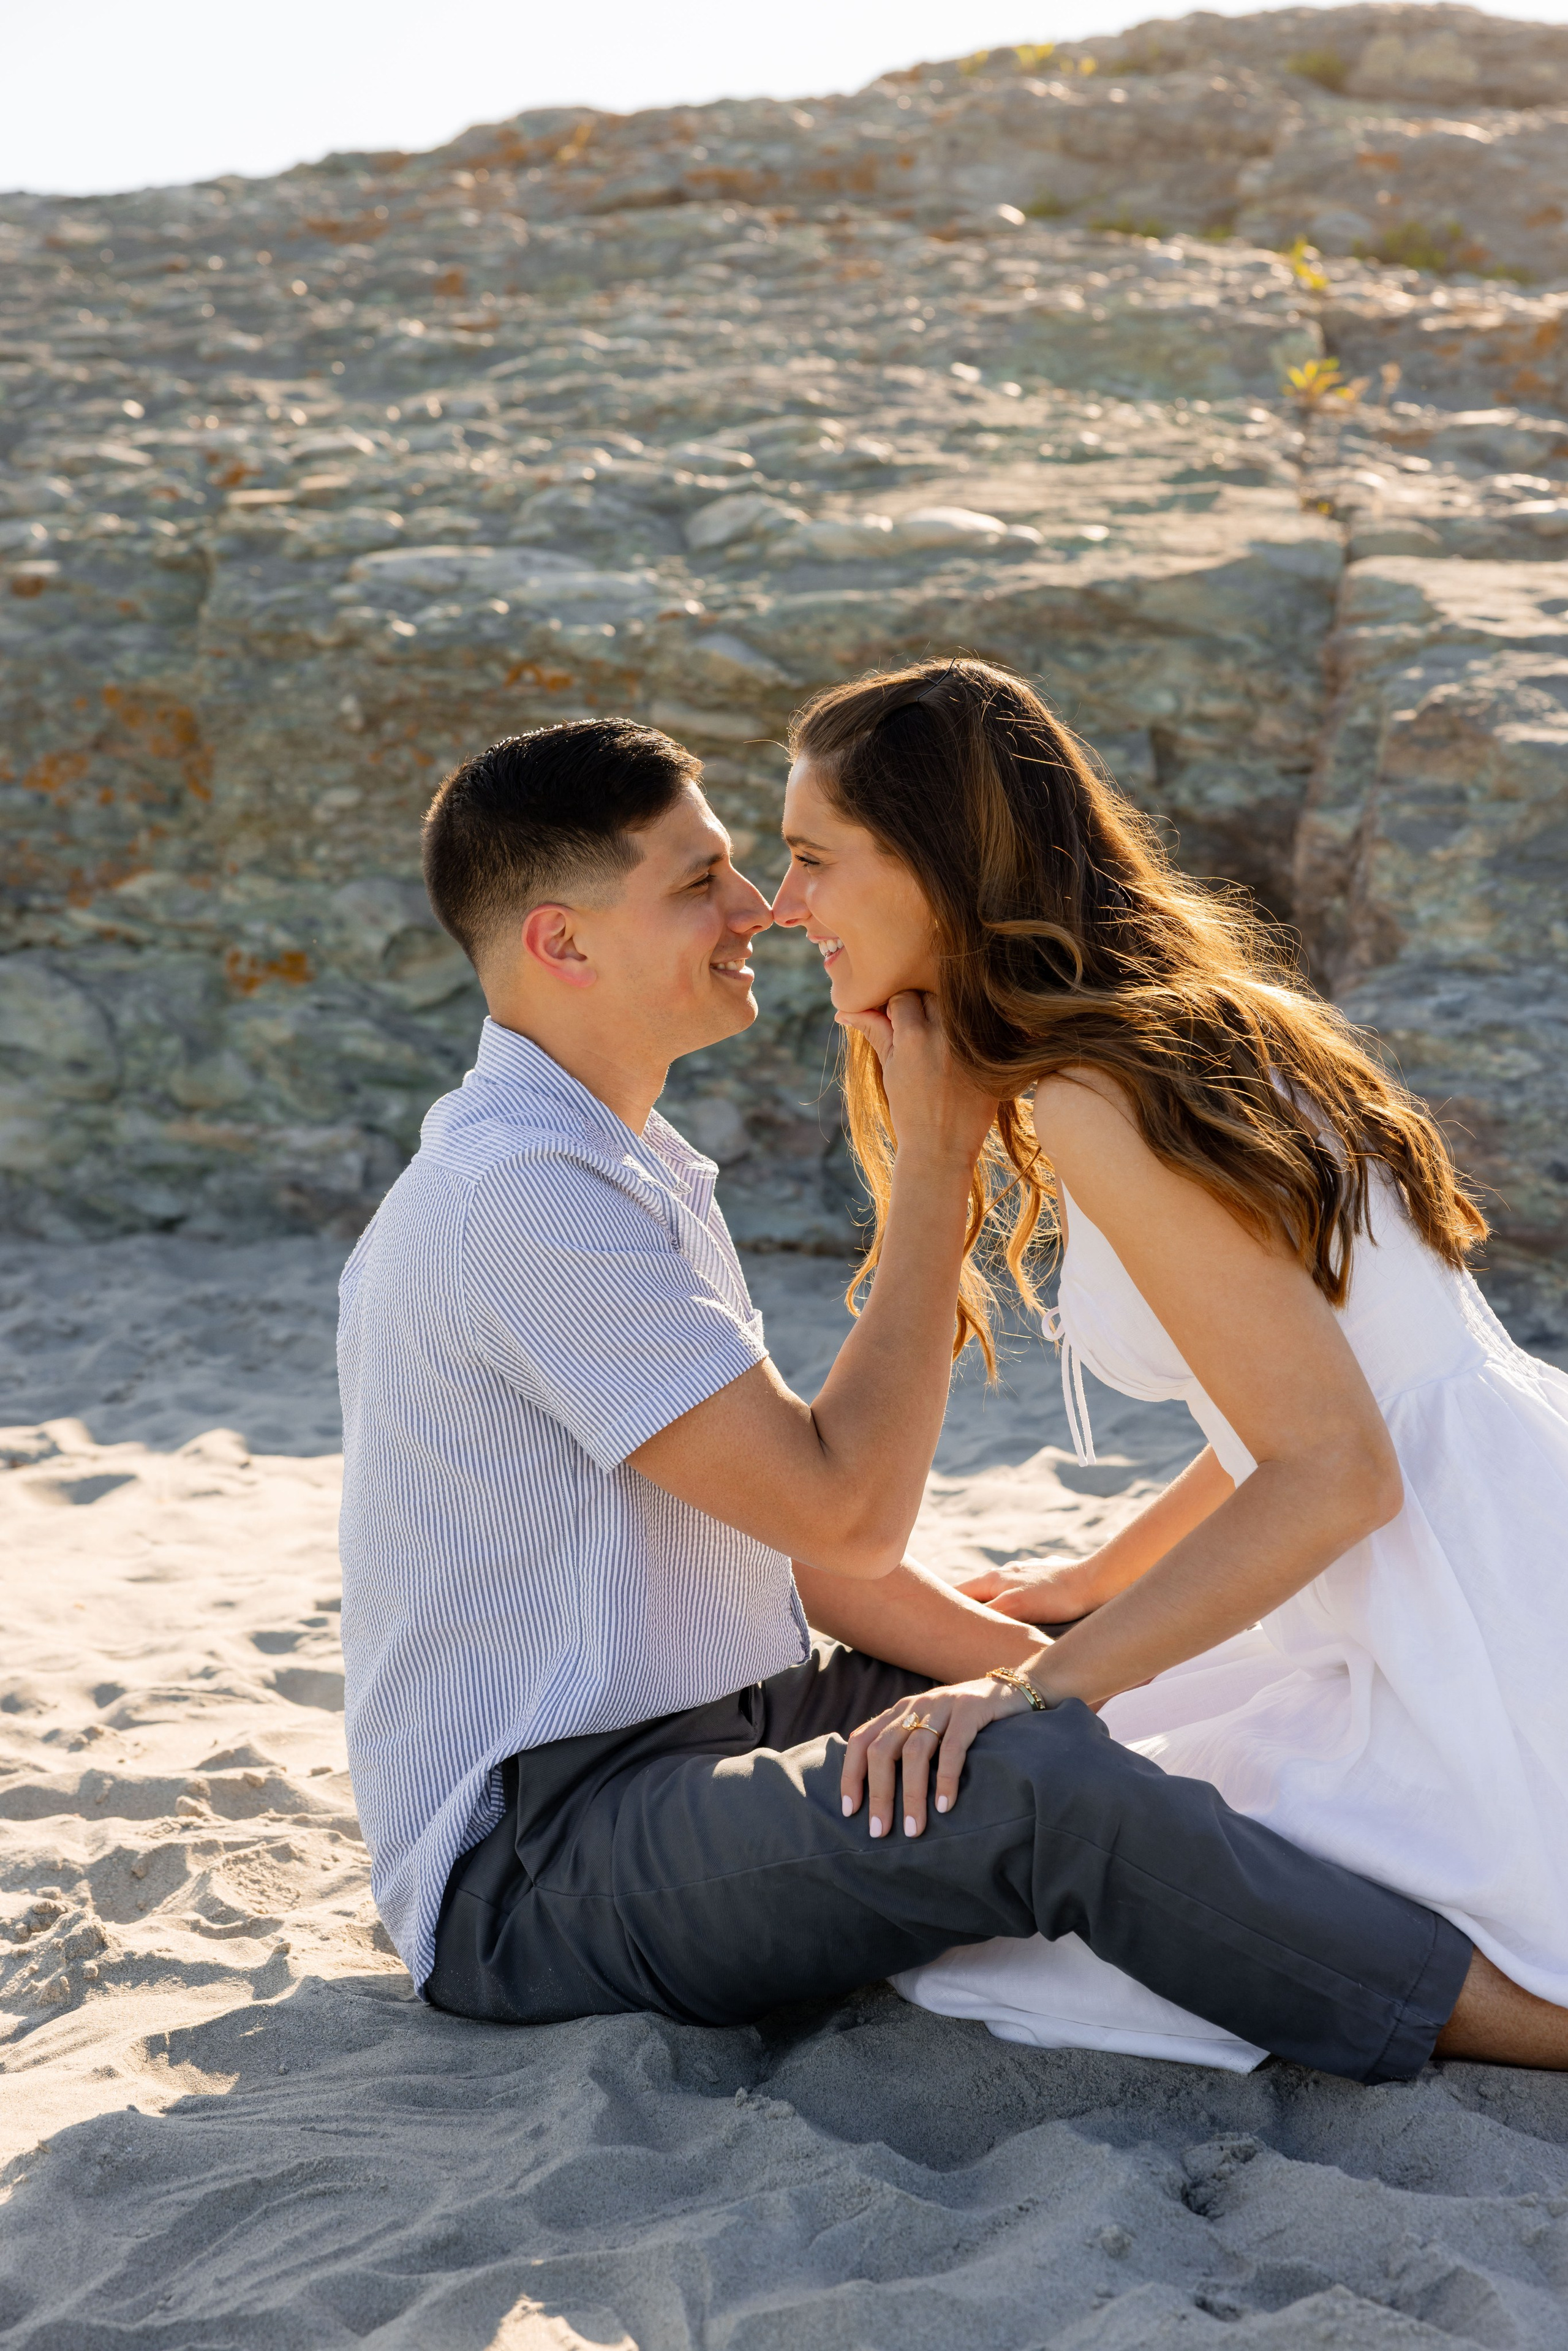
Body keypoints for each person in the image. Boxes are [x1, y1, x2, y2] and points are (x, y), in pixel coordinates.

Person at [335, 715, 1493, 2085]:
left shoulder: (617, 1163)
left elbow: (810, 1556)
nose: (755, 906)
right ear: (561, 941)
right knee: (1039, 1790)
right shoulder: (518, 1195)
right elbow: (847, 1509)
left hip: (743, 1718)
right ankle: (1512, 2020)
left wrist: (1029, 1649)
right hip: (544, 1856)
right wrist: (936, 1165)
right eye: (698, 880)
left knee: (1098, 1649)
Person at [769, 656, 1568, 2071]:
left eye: (813, 859)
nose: (787, 908)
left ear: (937, 865)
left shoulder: (1098, 1088)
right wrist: (1090, 1582)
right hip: (1489, 1532)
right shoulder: (1175, 1028)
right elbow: (1294, 1390)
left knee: (1011, 1893)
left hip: (1470, 1620)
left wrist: (1028, 1685)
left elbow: (1331, 1465)